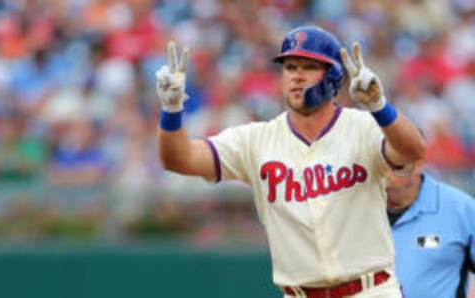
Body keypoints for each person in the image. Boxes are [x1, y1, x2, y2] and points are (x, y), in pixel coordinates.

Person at [156, 26, 426, 298]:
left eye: (309, 67)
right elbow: (179, 159)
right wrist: (171, 110)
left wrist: (380, 106)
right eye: (290, 66)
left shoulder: (362, 127)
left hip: (370, 289)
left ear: (332, 75)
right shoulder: (256, 140)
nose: (297, 76)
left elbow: (413, 150)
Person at [387, 164, 475, 298]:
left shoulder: (461, 209)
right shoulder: (356, 210)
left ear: (417, 162)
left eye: (393, 164)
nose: (383, 171)